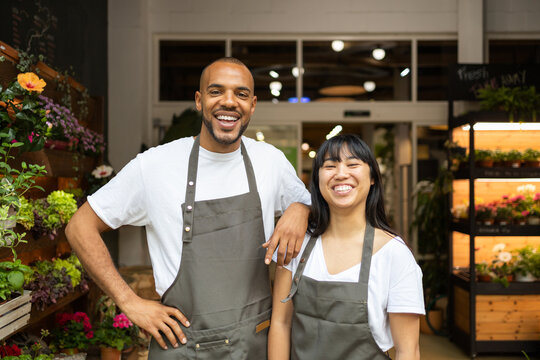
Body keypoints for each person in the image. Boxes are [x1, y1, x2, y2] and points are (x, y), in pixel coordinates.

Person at [66, 57, 311, 359]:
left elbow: (314, 207)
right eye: (216, 91)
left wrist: (301, 207)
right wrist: (128, 301)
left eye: (241, 94)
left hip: (254, 344)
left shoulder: (270, 161)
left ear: (253, 104)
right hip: (182, 346)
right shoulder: (154, 165)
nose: (229, 102)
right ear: (199, 100)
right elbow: (79, 227)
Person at [268, 134, 424, 360]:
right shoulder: (297, 244)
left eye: (353, 165)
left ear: (372, 178)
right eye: (329, 166)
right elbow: (281, 324)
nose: (341, 174)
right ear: (318, 180)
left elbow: (407, 350)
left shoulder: (395, 255)